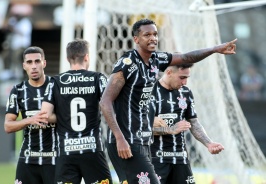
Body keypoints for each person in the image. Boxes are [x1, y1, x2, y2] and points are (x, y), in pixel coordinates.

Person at [99, 18, 236, 183]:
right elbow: (105, 102)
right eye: (147, 34)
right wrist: (119, 138)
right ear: (136, 39)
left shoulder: (156, 59)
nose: (153, 38)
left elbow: (186, 57)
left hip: (142, 141)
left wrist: (215, 49)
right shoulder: (127, 64)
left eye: (155, 34)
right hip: (126, 141)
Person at [41, 38, 112, 184]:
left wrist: (65, 115)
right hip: (92, 148)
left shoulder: (55, 81)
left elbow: (45, 116)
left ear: (68, 59)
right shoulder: (98, 78)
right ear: (86, 57)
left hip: (66, 150)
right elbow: (109, 106)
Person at [150, 63, 224, 184]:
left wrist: (209, 143)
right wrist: (170, 130)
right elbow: (140, 128)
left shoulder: (185, 93)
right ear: (169, 72)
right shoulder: (149, 91)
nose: (185, 82)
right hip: (155, 158)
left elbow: (193, 122)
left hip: (180, 158)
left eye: (187, 78)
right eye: (182, 77)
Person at [4, 46, 57, 184]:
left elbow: (68, 117)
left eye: (37, 61)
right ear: (24, 66)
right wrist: (30, 120)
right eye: (29, 62)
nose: (33, 66)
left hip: (54, 158)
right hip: (28, 158)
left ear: (44, 63)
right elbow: (8, 126)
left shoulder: (57, 86)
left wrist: (47, 118)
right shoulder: (17, 91)